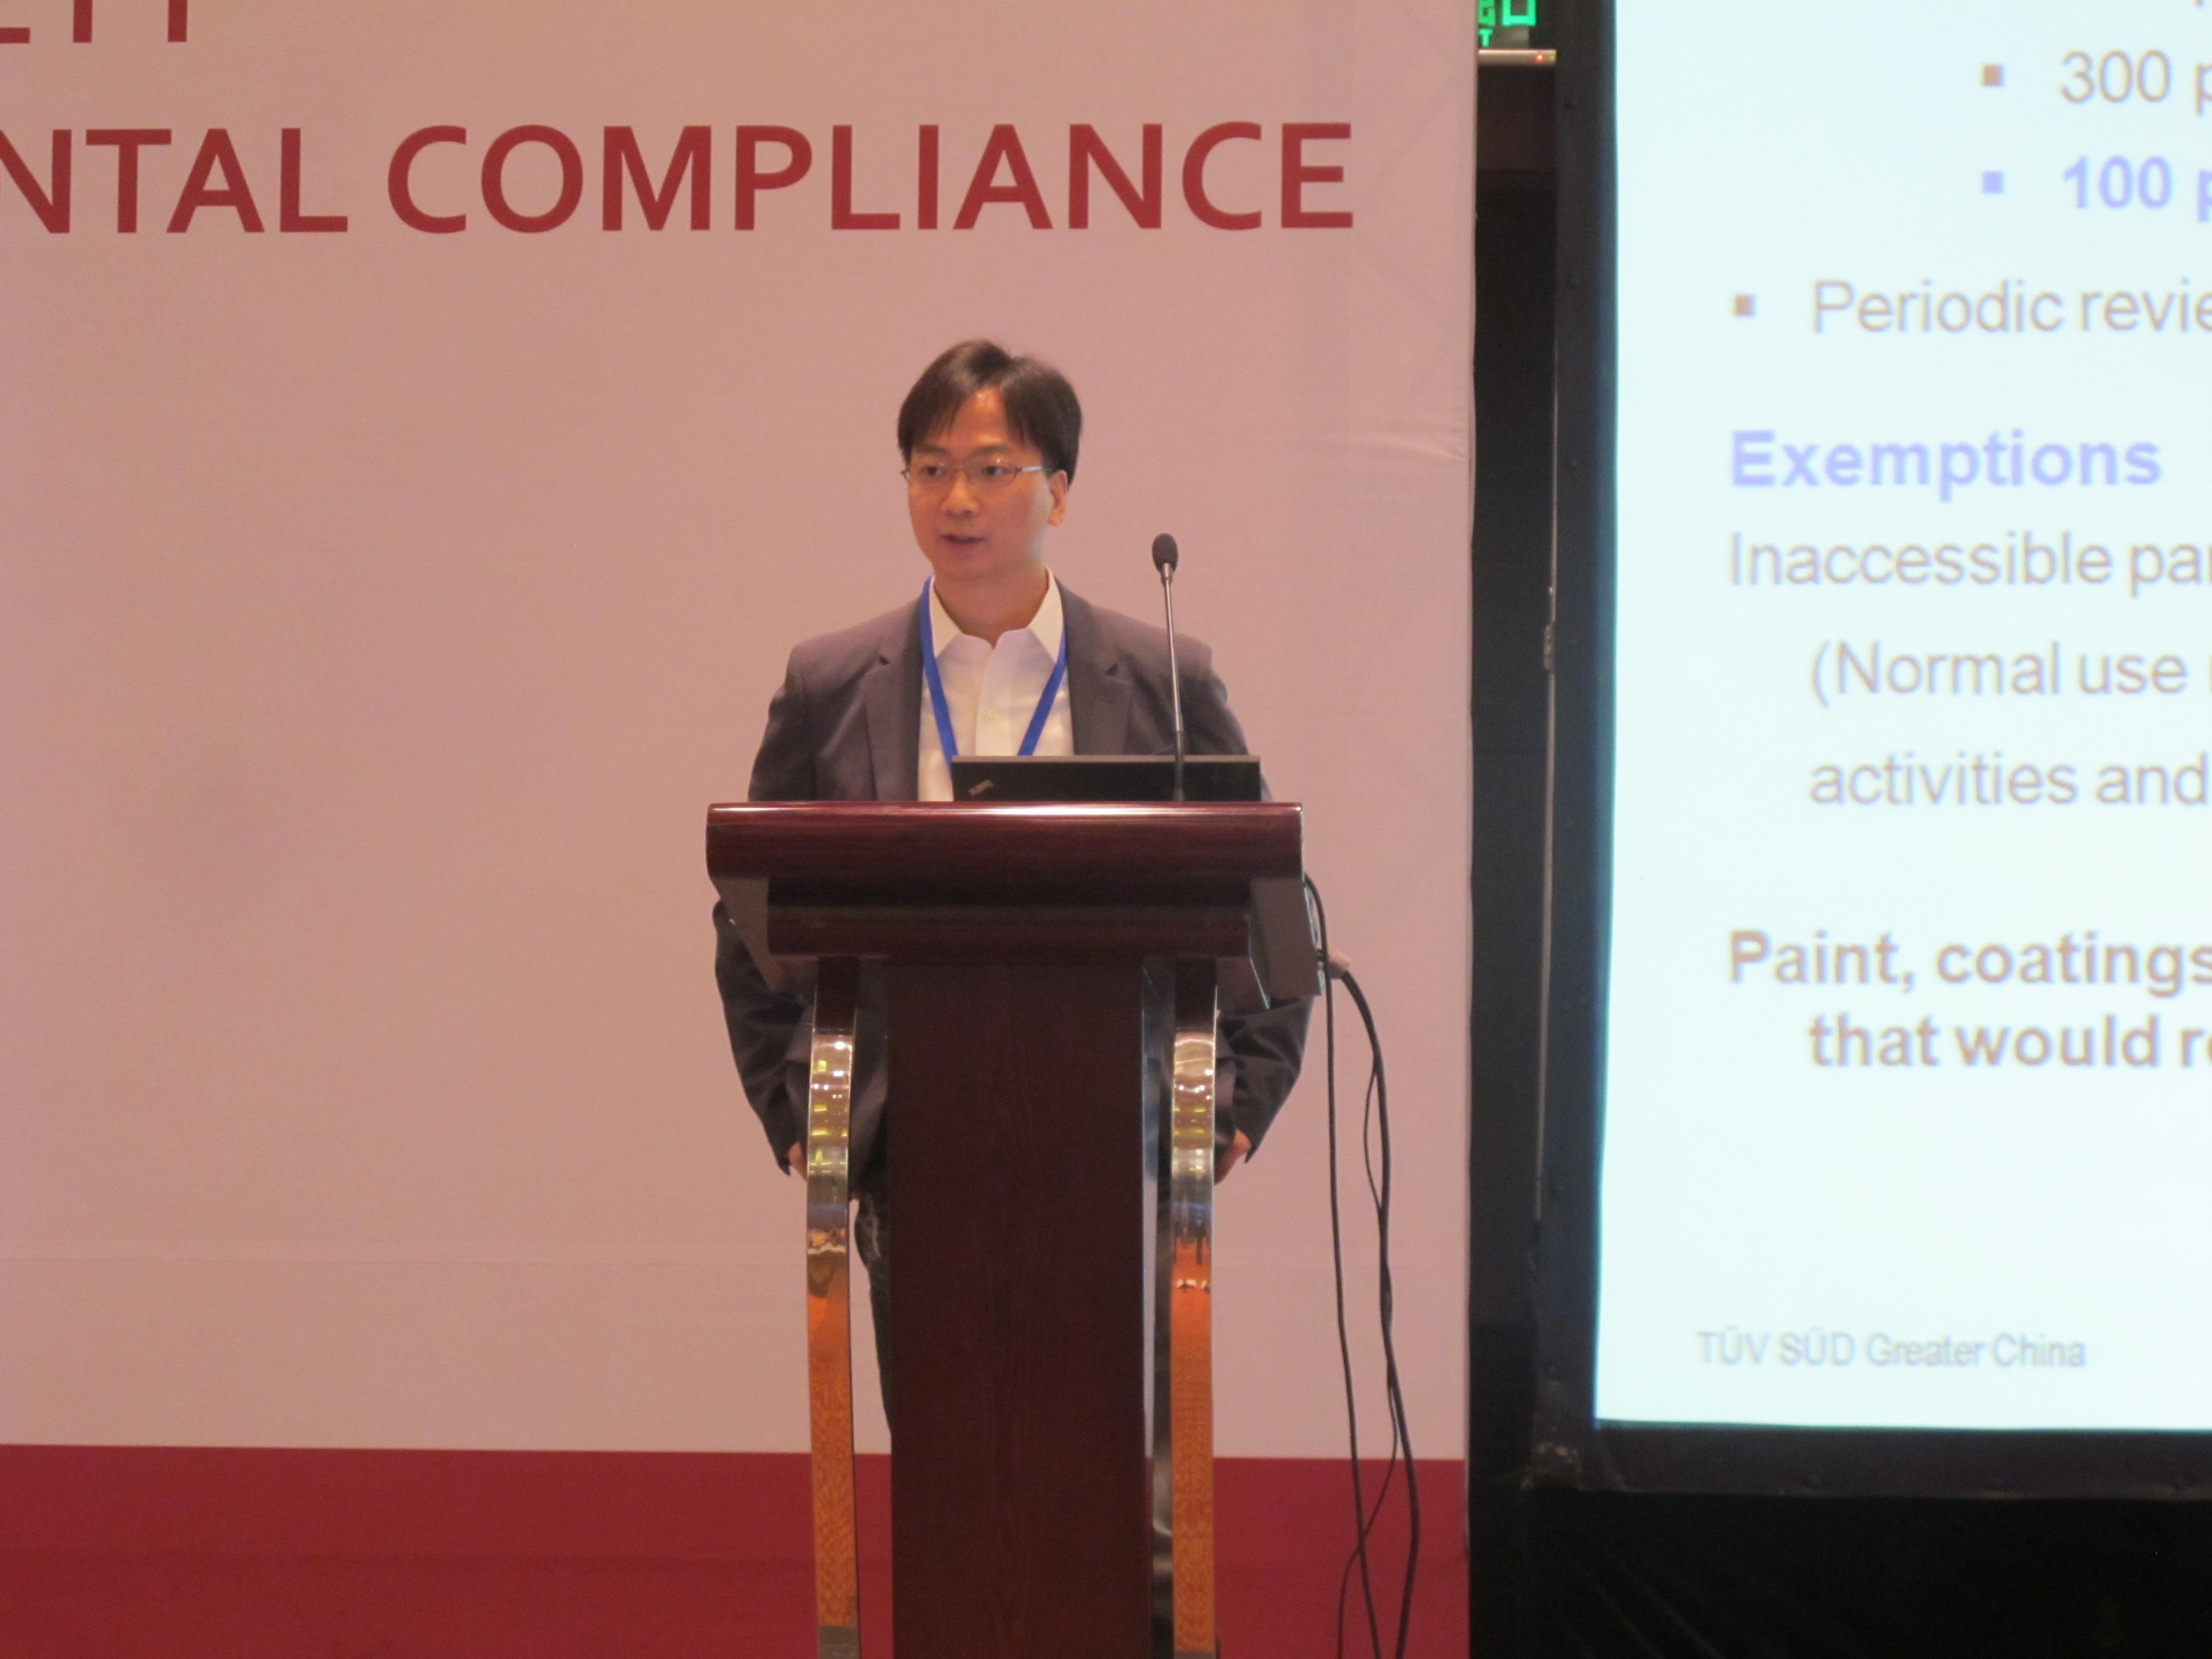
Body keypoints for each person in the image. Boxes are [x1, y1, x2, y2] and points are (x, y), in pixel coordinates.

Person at [712, 339, 1310, 1407]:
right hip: (911, 1146)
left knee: (1105, 1456)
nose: (959, 499)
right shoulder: (831, 684)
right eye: (931, 468)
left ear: (1059, 492)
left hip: (1119, 1139)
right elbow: (749, 912)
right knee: (940, 1445)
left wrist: (1240, 1096)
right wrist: (798, 1107)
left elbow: (1265, 898)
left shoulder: (1163, 678)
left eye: (994, 469)